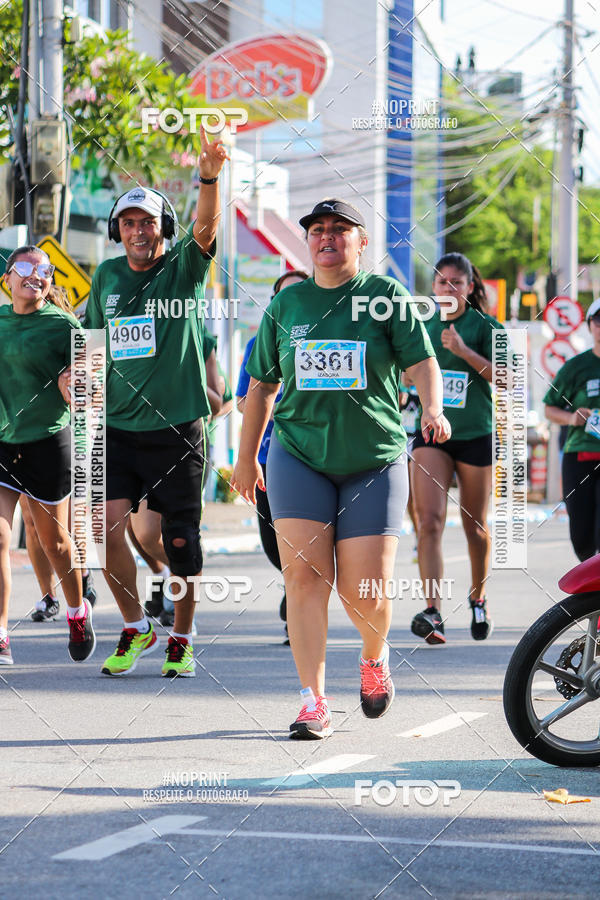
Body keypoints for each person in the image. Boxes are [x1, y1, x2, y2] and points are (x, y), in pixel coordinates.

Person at [231, 199, 449, 739]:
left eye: (340, 230)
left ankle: (374, 658)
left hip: (371, 459)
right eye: (318, 230)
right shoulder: (288, 304)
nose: (327, 237)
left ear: (361, 241)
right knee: (304, 580)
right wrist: (242, 460)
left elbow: (423, 362)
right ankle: (313, 702)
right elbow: (261, 388)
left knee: (363, 589)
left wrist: (434, 407)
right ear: (308, 242)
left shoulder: (385, 298)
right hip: (297, 455)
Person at [60, 125, 228, 678]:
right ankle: (136, 625)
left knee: (180, 541)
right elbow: (91, 344)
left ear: (163, 230)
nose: (137, 231)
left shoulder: (180, 270)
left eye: (147, 222)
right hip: (117, 428)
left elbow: (205, 228)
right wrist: (73, 376)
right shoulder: (105, 277)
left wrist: (208, 175)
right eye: (129, 222)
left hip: (178, 428)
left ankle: (181, 634)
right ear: (117, 230)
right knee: (104, 530)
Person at [0, 246, 95, 665]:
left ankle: (76, 611)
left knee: (54, 542)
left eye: (43, 271)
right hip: (3, 441)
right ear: (7, 278)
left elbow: (90, 383)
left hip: (48, 441)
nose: (33, 275)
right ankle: (1, 634)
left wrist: (75, 381)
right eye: (24, 268)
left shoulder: (64, 324)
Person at [409, 252, 503, 645]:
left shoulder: (486, 327)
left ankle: (478, 597)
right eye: (441, 282)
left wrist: (464, 351)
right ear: (433, 288)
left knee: (475, 527)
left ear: (470, 287)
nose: (448, 289)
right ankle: (433, 611)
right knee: (428, 521)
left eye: (456, 283)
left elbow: (509, 377)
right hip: (432, 434)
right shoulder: (420, 325)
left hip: (474, 435)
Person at [236, 269, 309, 643]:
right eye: (284, 295)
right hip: (268, 455)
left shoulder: (323, 336)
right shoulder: (259, 343)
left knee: (307, 538)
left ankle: (300, 602)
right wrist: (274, 399)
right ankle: (292, 580)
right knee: (273, 539)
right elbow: (242, 400)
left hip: (313, 455)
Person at [544, 297, 600, 560]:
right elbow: (549, 408)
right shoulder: (576, 367)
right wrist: (572, 418)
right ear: (590, 326)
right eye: (598, 321)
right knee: (581, 536)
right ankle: (591, 597)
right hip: (579, 456)